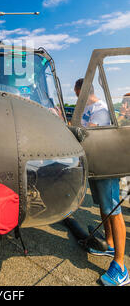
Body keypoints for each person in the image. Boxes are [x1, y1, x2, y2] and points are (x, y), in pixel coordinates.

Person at [74, 78, 129, 286]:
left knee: (114, 211)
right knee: (105, 208)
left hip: (108, 166)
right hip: (98, 165)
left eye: (78, 96)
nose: (78, 101)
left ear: (85, 92)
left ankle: (121, 268)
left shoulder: (101, 110)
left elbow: (87, 135)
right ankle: (110, 243)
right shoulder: (90, 109)